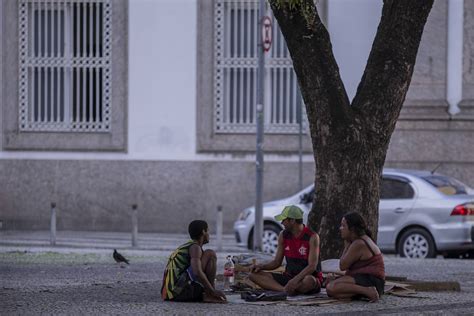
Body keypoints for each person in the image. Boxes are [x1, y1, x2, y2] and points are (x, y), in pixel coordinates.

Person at [249, 205, 323, 296]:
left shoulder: (313, 237)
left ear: (292, 221)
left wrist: (295, 280)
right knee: (253, 275)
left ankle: (287, 289)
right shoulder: (283, 235)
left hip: (306, 278)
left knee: (309, 281)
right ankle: (284, 290)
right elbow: (276, 262)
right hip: (289, 277)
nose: (281, 223)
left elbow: (312, 266)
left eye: (284, 220)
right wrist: (261, 266)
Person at [161, 220, 227, 303]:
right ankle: (209, 294)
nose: (209, 234)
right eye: (208, 231)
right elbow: (197, 272)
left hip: (169, 292)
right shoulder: (195, 247)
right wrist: (213, 291)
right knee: (210, 254)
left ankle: (208, 293)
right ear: (203, 231)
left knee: (207, 255)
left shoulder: (189, 246)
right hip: (177, 292)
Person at [326, 212, 385, 302]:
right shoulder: (359, 240)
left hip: (373, 281)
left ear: (352, 229)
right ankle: (362, 293)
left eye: (343, 226)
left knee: (331, 287)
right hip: (368, 279)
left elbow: (342, 266)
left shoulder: (359, 243)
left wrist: (346, 245)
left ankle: (368, 291)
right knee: (334, 290)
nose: (340, 228)